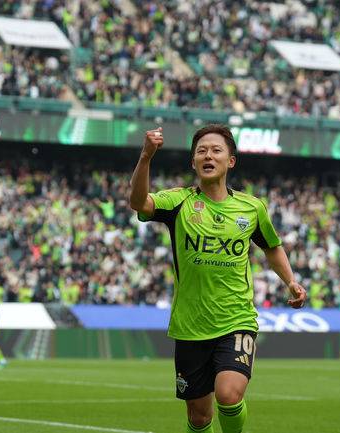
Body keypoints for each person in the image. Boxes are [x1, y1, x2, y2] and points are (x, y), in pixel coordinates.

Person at [129, 125, 307, 433]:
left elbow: (272, 246)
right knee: (199, 417)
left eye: (215, 150)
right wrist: (146, 156)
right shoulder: (178, 202)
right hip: (190, 326)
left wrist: (290, 281)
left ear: (231, 161)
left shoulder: (251, 208)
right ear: (193, 162)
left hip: (236, 319)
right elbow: (138, 202)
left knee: (228, 395)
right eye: (201, 151)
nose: (208, 156)